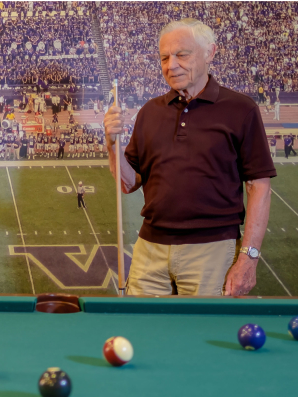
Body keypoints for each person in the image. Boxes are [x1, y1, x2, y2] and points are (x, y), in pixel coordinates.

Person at [103, 19, 275, 297]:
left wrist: (248, 257)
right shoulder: (150, 111)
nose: (171, 65)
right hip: (150, 248)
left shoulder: (241, 109)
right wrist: (112, 145)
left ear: (210, 53)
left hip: (212, 251)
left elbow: (259, 187)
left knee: (203, 337)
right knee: (142, 335)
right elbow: (127, 183)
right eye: (164, 57)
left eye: (182, 54)